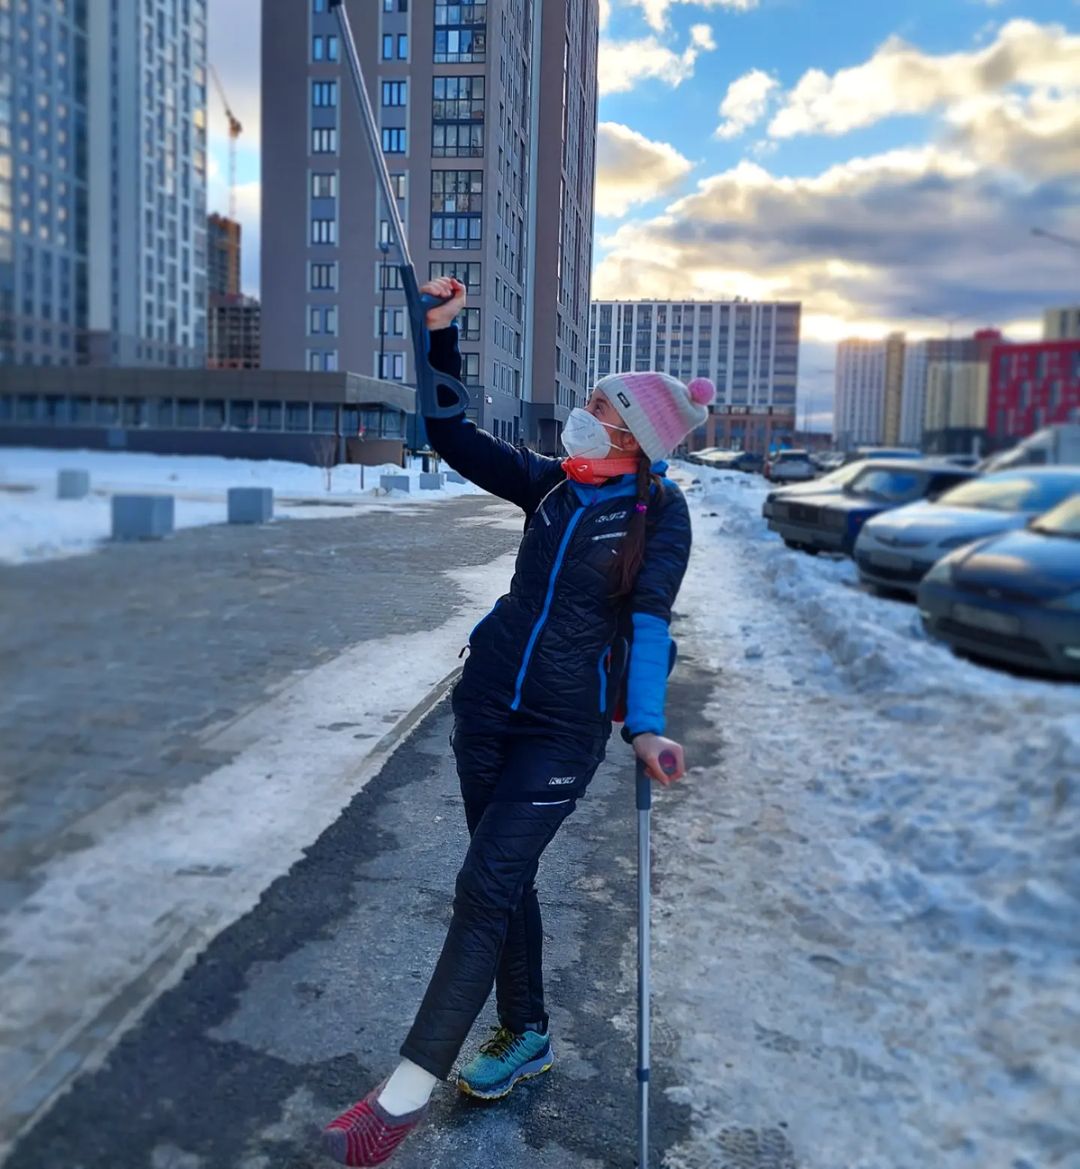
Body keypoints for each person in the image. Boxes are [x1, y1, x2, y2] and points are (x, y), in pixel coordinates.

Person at [321, 277, 715, 1167]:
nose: (580, 414)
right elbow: (450, 433)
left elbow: (652, 622)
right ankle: (527, 1030)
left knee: (485, 881)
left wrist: (645, 724)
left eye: (597, 406)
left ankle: (401, 1097)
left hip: (561, 731)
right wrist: (438, 336)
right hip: (488, 707)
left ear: (630, 434)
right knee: (505, 879)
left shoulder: (660, 514)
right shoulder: (550, 486)